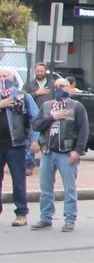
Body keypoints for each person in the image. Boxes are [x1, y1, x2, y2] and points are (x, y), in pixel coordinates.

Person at [30, 77, 90, 232]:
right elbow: (36, 125)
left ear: (68, 88)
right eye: (56, 86)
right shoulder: (46, 106)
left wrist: (77, 151)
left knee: (69, 187)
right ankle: (45, 217)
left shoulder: (76, 107)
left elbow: (84, 130)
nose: (58, 89)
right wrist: (52, 118)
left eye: (62, 86)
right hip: (48, 152)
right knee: (45, 187)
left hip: (66, 153)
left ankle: (70, 218)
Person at [0, 66, 39, 226]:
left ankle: (21, 213)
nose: (3, 79)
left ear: (13, 78)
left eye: (5, 76)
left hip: (16, 146)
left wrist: (35, 140)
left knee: (18, 180)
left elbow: (35, 119)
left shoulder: (23, 96)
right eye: (0, 76)